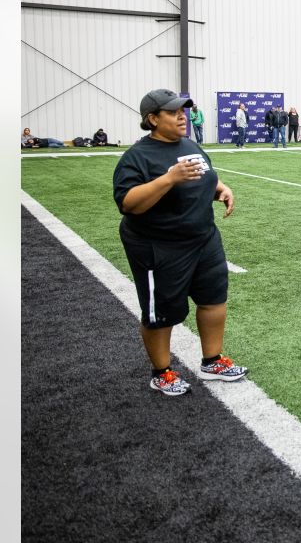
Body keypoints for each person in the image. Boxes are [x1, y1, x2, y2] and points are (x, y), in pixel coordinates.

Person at [113, 89, 244, 396]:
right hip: (158, 244)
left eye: (183, 110)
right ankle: (161, 372)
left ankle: (212, 360)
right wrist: (168, 179)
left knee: (214, 298)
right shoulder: (137, 157)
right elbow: (128, 203)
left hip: (203, 238)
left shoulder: (190, 144)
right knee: (162, 312)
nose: (182, 116)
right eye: (173, 112)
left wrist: (221, 188)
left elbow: (205, 175)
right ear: (153, 119)